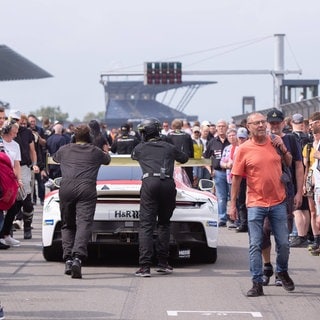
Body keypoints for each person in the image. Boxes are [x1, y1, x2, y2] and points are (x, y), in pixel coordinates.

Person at [229, 112, 295, 297]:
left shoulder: (274, 142)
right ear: (248, 127)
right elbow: (235, 179)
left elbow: (289, 163)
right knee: (255, 244)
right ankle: (256, 282)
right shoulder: (244, 149)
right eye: (256, 123)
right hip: (255, 203)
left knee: (283, 243)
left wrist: (282, 149)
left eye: (262, 122)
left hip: (278, 201)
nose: (261, 125)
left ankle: (281, 271)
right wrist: (232, 205)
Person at [131, 118, 188, 277]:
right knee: (164, 223)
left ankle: (145, 266)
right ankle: (163, 263)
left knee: (146, 226)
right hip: (168, 183)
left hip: (150, 183)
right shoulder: (169, 147)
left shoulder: (140, 148)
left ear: (145, 133)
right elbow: (184, 158)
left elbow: (133, 155)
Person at [53, 124, 111, 279]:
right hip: (87, 188)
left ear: (74, 137)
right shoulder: (95, 152)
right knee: (84, 223)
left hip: (66, 188)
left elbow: (54, 158)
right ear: (90, 137)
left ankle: (68, 259)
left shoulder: (65, 149)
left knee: (67, 225)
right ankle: (78, 258)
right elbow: (108, 160)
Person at [262, 109, 303, 287]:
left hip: (285, 192)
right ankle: (267, 267)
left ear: (283, 123)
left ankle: (281, 270)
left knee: (282, 235)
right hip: (263, 194)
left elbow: (299, 166)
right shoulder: (261, 140)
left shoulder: (291, 139)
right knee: (263, 233)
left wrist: (299, 192)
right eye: (272, 123)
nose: (275, 125)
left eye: (277, 122)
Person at [204, 119, 230, 227]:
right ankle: (222, 218)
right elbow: (205, 158)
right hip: (218, 173)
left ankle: (235, 218)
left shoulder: (231, 140)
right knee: (221, 197)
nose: (221, 128)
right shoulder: (212, 142)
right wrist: (210, 171)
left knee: (234, 196)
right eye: (219, 126)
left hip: (231, 172)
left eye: (223, 126)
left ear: (227, 128)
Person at [167, 119, 194, 184]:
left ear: (172, 126)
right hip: (186, 163)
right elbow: (191, 150)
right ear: (181, 126)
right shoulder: (187, 136)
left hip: (173, 165)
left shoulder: (169, 136)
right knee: (188, 184)